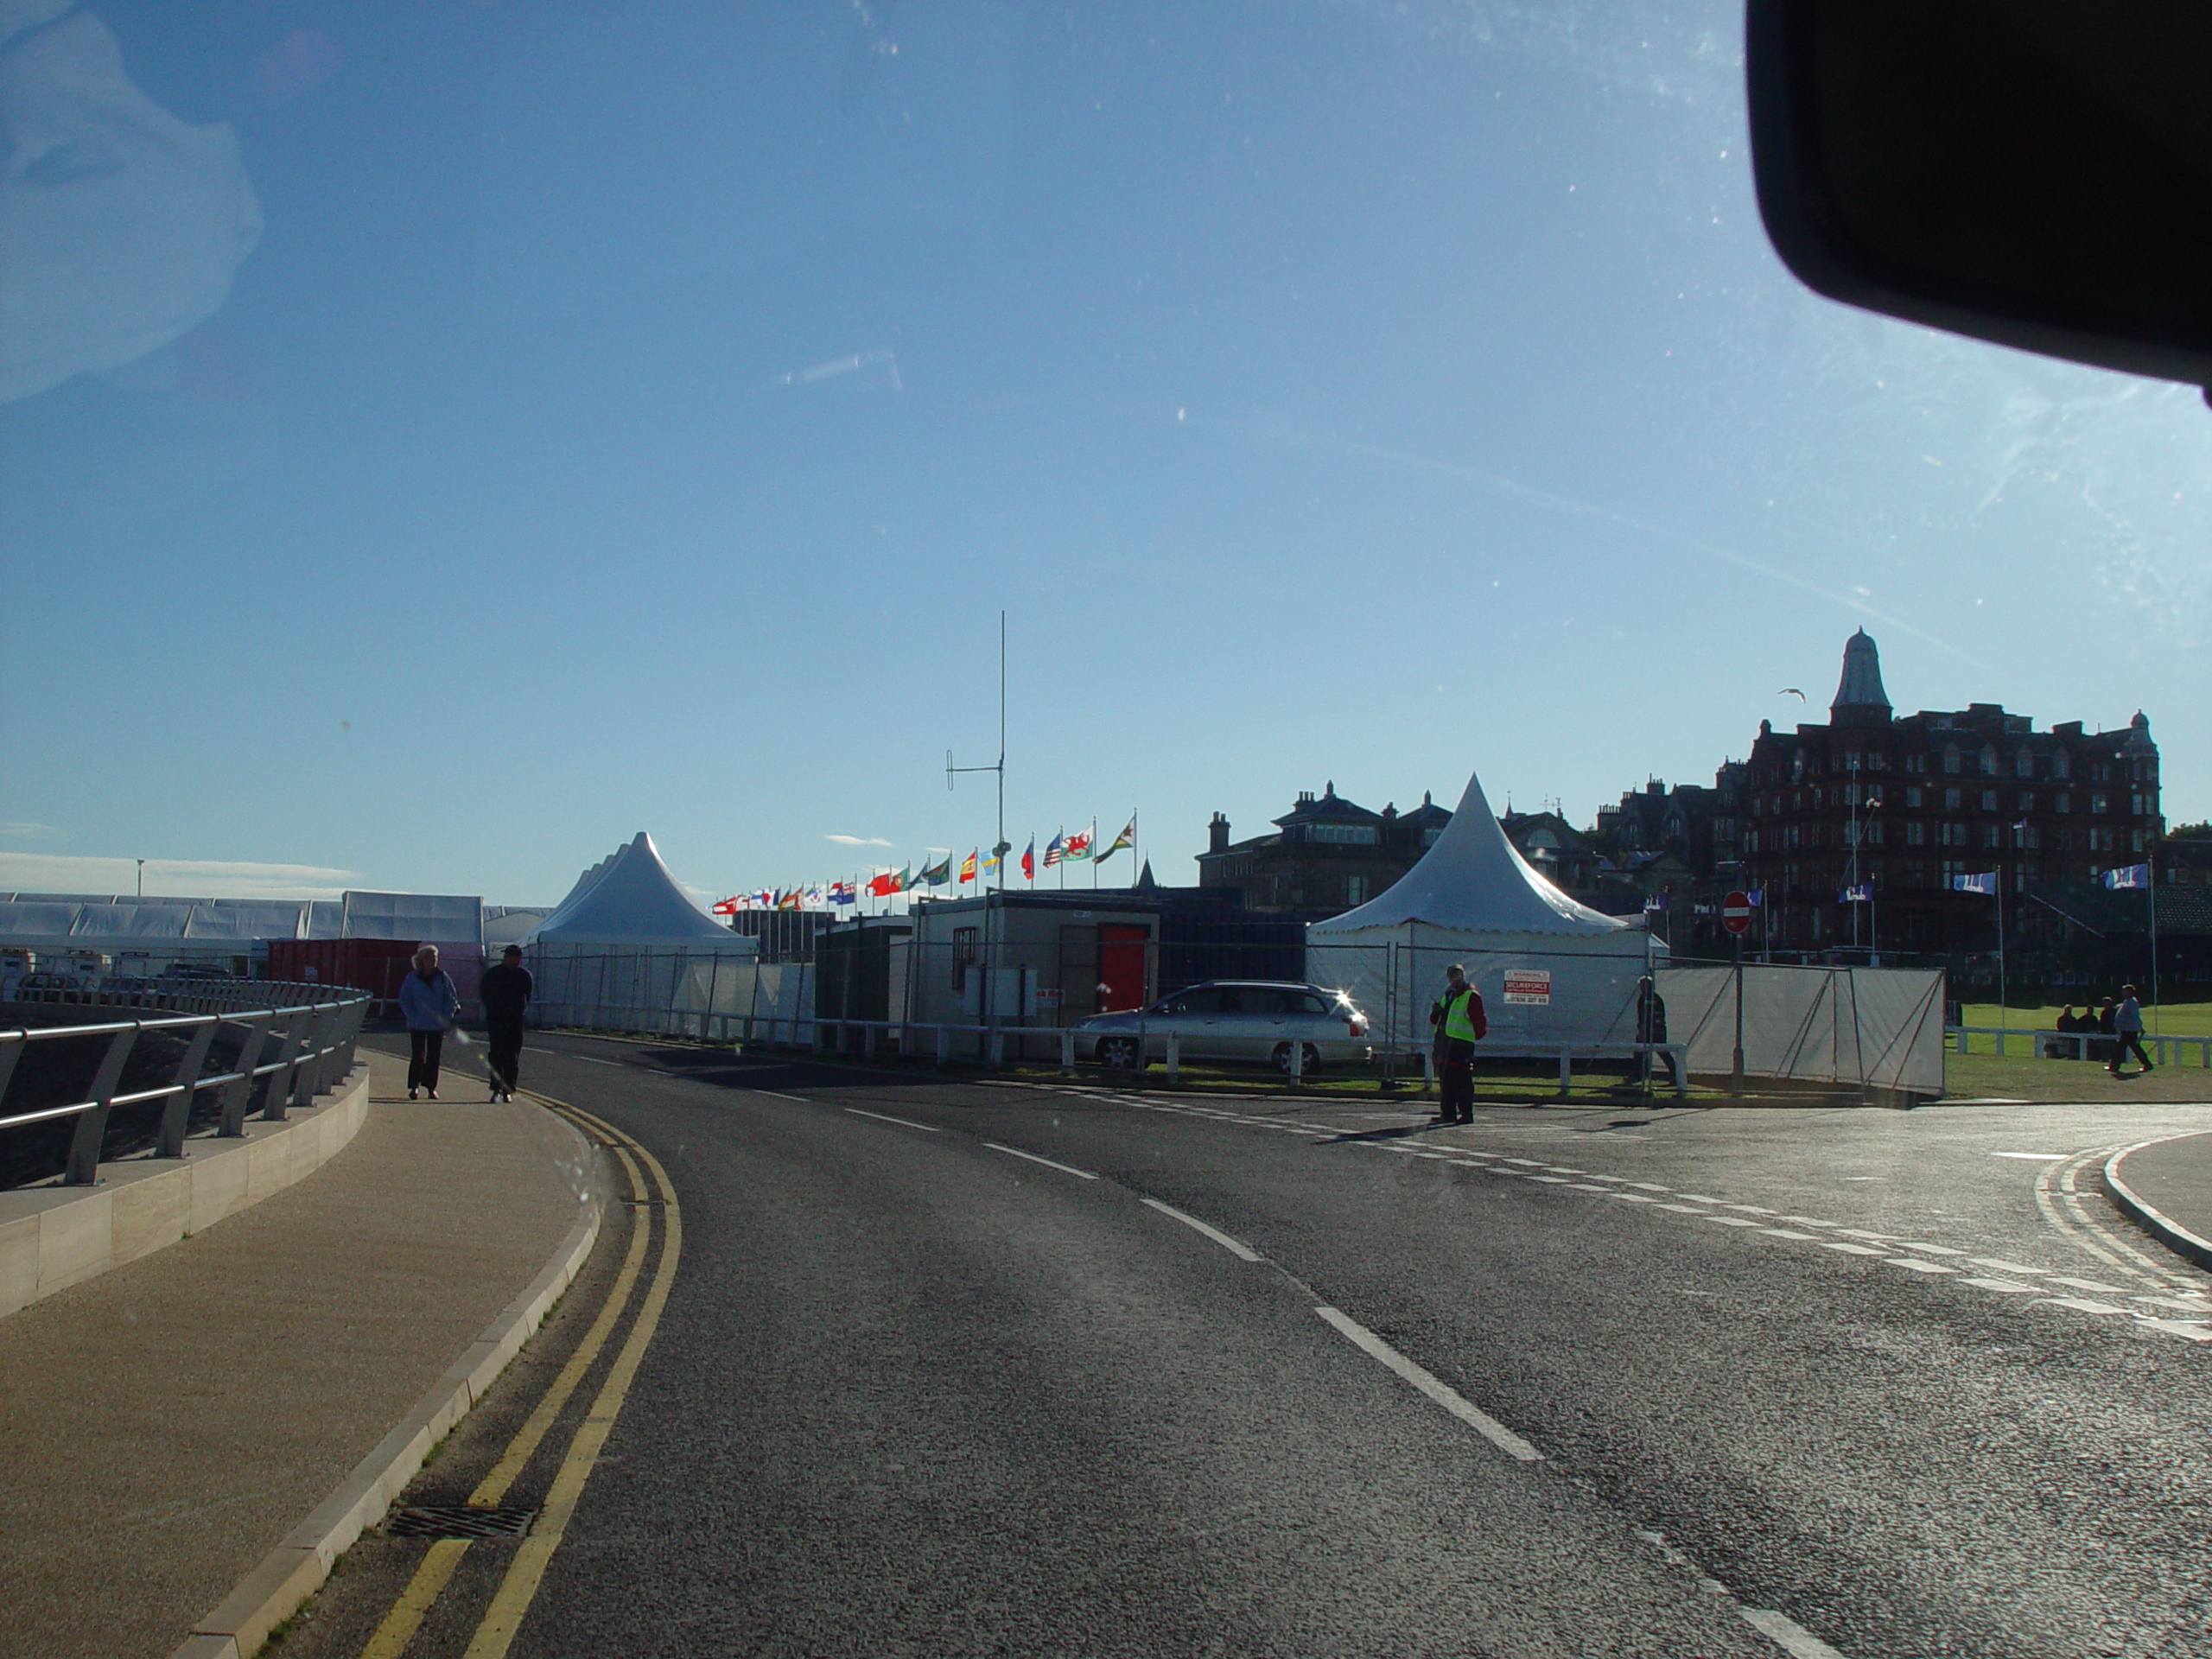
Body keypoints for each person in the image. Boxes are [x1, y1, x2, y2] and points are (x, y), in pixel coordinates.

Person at [398, 944, 460, 1100]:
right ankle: (414, 1086)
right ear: (423, 959)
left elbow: (451, 999)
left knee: (434, 1057)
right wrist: (412, 1016)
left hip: (436, 1024)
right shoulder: (412, 978)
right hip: (418, 1023)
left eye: (436, 958)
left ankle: (431, 1087)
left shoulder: (442, 977)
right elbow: (405, 999)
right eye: (431, 958)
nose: (434, 961)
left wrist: (445, 1017)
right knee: (418, 1055)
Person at [1428, 963, 1486, 1124]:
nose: (1454, 979)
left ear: (1462, 976)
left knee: (1462, 1081)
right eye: (1451, 976)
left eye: (1457, 975)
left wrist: (1472, 1037)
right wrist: (1436, 1010)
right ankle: (1448, 1113)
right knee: (1446, 1080)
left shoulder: (1470, 995)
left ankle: (1466, 1114)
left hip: (1460, 1044)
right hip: (1444, 1042)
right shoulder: (1448, 994)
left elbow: (1480, 1023)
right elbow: (1434, 1020)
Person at [478, 944, 533, 1102]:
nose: (513, 960)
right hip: (496, 1019)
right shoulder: (493, 974)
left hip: (515, 1020)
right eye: (511, 957)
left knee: (512, 1056)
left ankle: (508, 1089)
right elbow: (485, 994)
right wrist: (494, 1011)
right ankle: (496, 1088)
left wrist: (517, 1012)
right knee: (496, 1055)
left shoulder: (524, 976)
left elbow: (527, 996)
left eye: (516, 957)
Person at [1637, 975, 1679, 1090]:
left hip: (1652, 1029)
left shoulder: (1646, 998)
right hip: (1657, 1029)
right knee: (1654, 1052)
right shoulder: (1654, 997)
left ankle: (1640, 1074)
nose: (1641, 987)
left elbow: (1646, 1016)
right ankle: (1675, 1075)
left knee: (1645, 1051)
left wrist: (1643, 1030)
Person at [2109, 984, 2153, 1077]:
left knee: (2121, 1048)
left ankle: (2114, 1066)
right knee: (2134, 1048)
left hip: (2129, 1030)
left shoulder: (2132, 1003)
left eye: (2125, 991)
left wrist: (2140, 1028)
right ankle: (2147, 1064)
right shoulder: (2127, 1002)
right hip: (2126, 1029)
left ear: (2130, 992)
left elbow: (2135, 1016)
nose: (2123, 993)